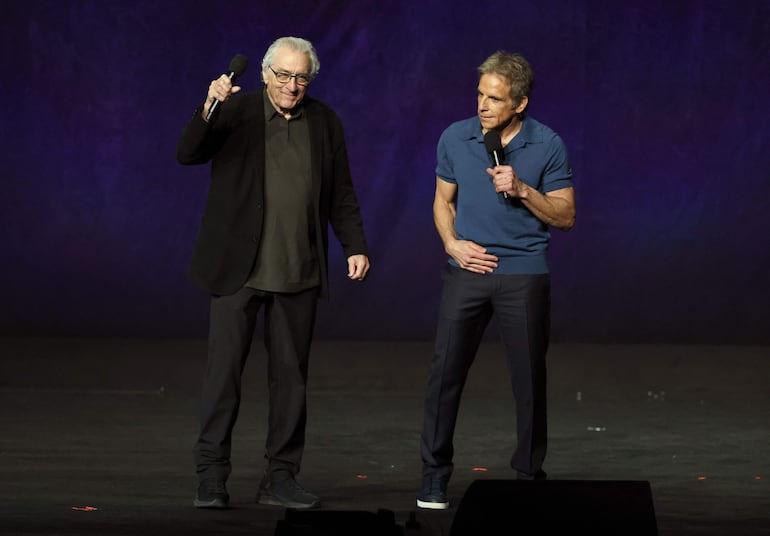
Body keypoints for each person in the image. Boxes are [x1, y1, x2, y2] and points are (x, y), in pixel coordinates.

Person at [176, 36, 371, 510]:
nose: (292, 85)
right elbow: (188, 153)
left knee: (291, 382)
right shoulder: (236, 111)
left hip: (297, 271)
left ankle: (281, 476)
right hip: (237, 272)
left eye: (301, 77)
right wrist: (209, 105)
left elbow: (341, 190)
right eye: (283, 75)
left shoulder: (324, 122)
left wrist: (354, 245)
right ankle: (211, 477)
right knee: (223, 378)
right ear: (264, 74)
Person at [416, 51, 576, 510]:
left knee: (528, 379)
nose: (483, 106)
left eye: (496, 98)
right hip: (466, 271)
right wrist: (451, 244)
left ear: (519, 103)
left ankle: (528, 475)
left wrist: (523, 189)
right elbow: (442, 201)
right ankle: (433, 477)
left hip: (523, 275)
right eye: (480, 95)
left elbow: (566, 216)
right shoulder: (456, 136)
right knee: (444, 373)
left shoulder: (547, 144)